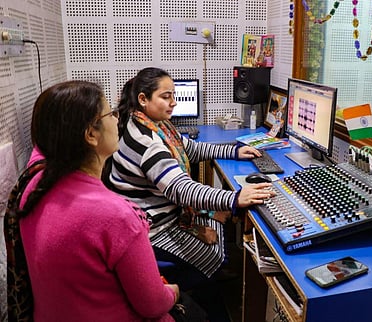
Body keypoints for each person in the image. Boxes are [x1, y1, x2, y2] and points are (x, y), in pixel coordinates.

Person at [19, 80, 179, 321]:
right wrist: (172, 293)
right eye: (111, 113)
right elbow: (153, 305)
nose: (117, 119)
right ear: (91, 134)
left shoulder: (33, 186)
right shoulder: (115, 216)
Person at [106, 67, 274, 286]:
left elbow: (190, 149)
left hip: (157, 214)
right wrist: (234, 198)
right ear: (143, 99)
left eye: (173, 95)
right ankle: (195, 290)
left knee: (219, 220)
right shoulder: (146, 141)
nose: (173, 102)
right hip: (153, 229)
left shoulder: (154, 124)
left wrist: (233, 151)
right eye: (166, 97)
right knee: (217, 247)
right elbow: (181, 190)